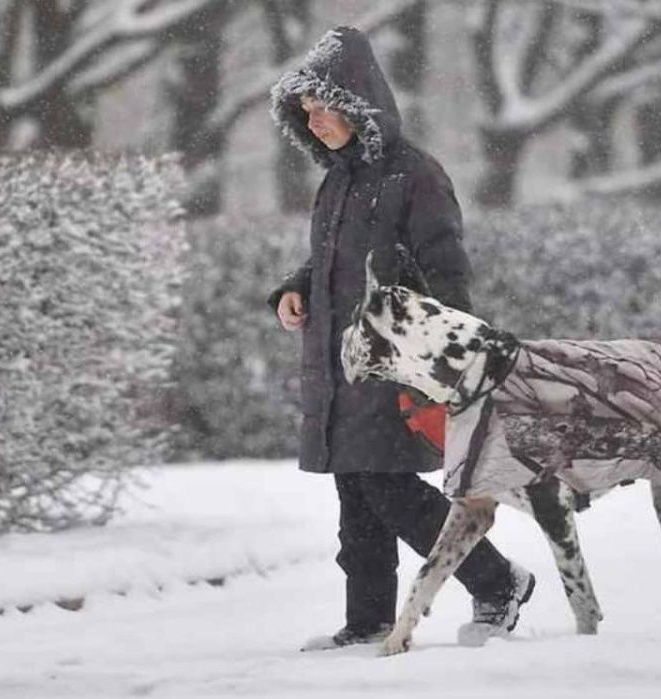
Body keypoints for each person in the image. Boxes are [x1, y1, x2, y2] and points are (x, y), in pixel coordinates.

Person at [267, 26, 534, 651]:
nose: (316, 122)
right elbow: (333, 260)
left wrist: (445, 366)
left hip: (397, 363)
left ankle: (498, 581)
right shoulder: (336, 180)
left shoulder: (413, 176)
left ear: (357, 103)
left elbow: (447, 269)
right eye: (306, 112)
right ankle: (368, 622)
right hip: (342, 364)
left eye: (324, 108)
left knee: (389, 487)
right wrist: (294, 287)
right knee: (356, 495)